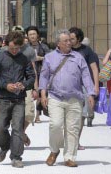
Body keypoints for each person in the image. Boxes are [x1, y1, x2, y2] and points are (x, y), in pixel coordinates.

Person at [39, 29, 95, 168]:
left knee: (72, 129)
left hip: (75, 98)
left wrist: (91, 93)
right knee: (55, 125)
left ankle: (70, 157)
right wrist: (43, 94)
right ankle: (54, 150)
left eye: (70, 40)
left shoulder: (78, 57)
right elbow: (44, 76)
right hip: (55, 96)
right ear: (59, 43)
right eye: (66, 41)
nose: (69, 42)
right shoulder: (49, 57)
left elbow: (86, 76)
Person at [0, 30, 35, 168]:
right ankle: (5, 147)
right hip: (3, 99)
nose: (14, 50)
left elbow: (31, 77)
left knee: (17, 129)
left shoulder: (24, 59)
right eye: (12, 48)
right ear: (6, 45)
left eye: (17, 48)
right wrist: (5, 85)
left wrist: (24, 85)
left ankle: (16, 157)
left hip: (19, 100)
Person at [69, 27, 99, 139]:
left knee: (81, 114)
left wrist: (95, 86)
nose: (70, 41)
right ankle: (69, 138)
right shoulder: (66, 50)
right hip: (70, 85)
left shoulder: (87, 50)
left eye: (72, 38)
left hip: (84, 86)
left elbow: (94, 68)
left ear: (79, 39)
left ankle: (76, 140)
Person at [26, 26, 50, 123]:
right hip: (29, 73)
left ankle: (38, 114)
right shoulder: (25, 47)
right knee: (31, 93)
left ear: (37, 35)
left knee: (40, 94)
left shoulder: (44, 47)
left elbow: (50, 58)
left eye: (34, 34)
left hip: (42, 72)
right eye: (30, 34)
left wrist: (41, 58)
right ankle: (30, 114)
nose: (32, 36)